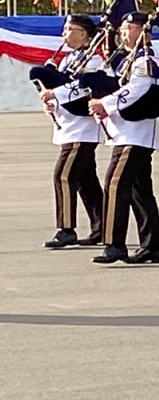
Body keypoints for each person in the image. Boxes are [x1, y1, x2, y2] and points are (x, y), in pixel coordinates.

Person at [88, 11, 159, 265]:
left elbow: (137, 89)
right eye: (122, 28)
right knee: (138, 190)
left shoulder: (145, 59)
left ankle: (114, 244)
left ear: (143, 31)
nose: (124, 32)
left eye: (129, 27)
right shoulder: (129, 58)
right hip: (126, 132)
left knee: (114, 183)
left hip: (135, 132)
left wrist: (105, 103)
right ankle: (151, 245)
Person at [37, 15, 104, 248]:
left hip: (82, 129)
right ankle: (101, 227)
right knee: (86, 180)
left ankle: (66, 228)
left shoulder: (94, 60)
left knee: (63, 175)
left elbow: (83, 87)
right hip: (69, 127)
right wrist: (51, 102)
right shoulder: (67, 59)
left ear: (84, 34)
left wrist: (56, 94)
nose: (64, 33)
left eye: (70, 29)